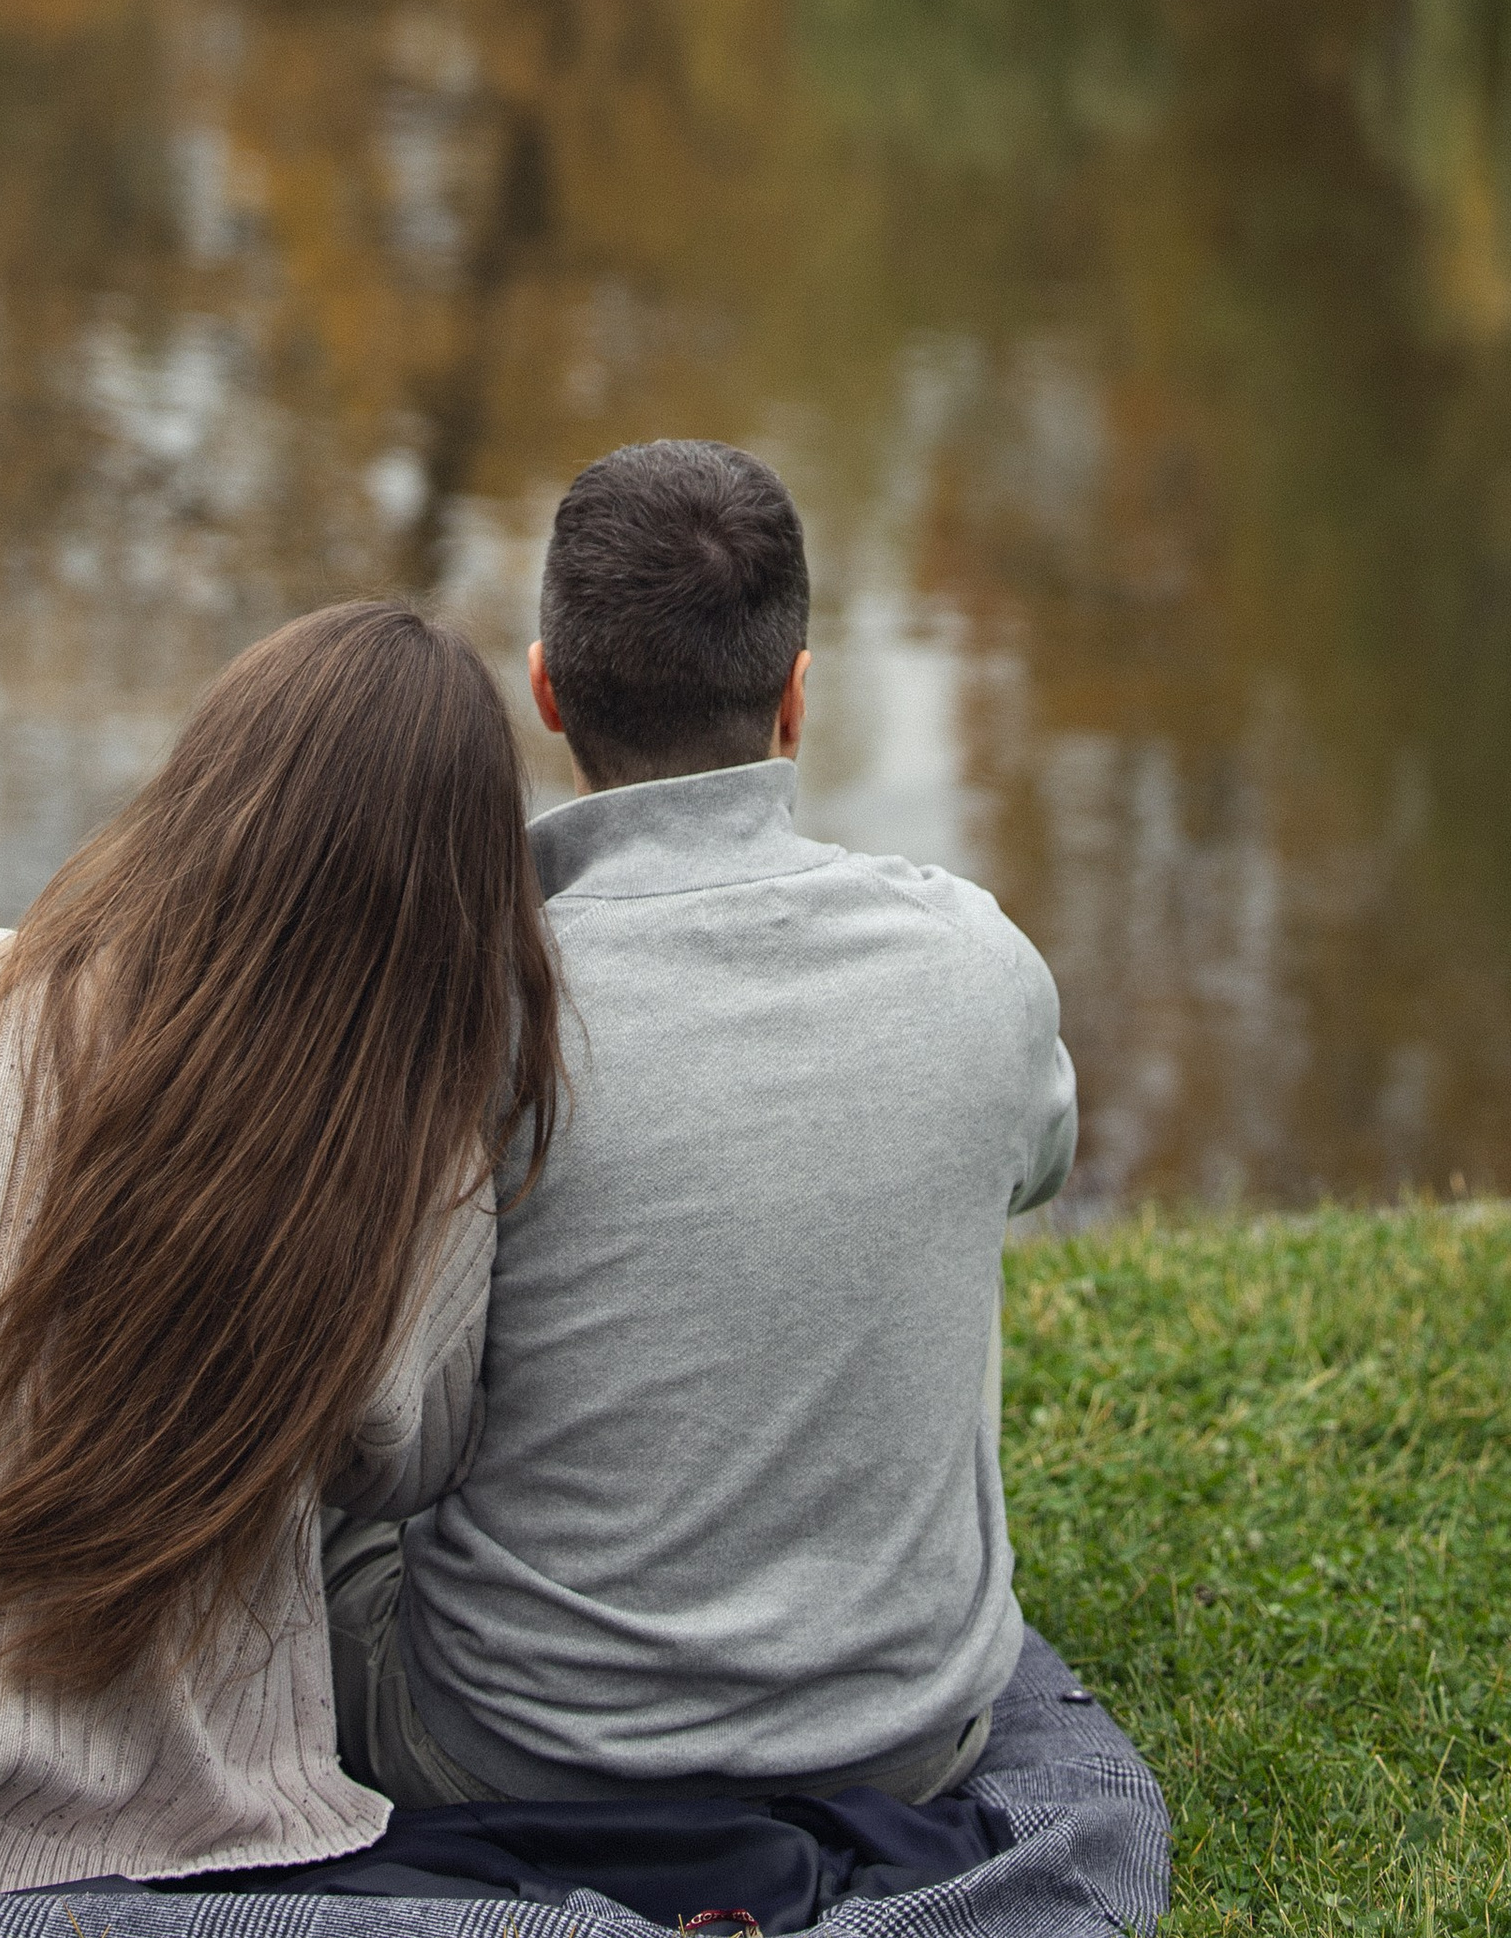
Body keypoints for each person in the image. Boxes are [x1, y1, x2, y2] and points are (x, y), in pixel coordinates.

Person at [0, 601, 561, 1898]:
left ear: (202, 789)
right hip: (196, 1810)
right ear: (458, 896)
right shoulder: (424, 1167)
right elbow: (396, 1469)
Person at [328, 438, 1076, 1810]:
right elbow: (1037, 1162)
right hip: (907, 1749)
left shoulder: (476, 996)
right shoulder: (979, 961)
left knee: (320, 1519)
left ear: (547, 692)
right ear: (798, 702)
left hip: (515, 1755)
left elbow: (381, 1438)